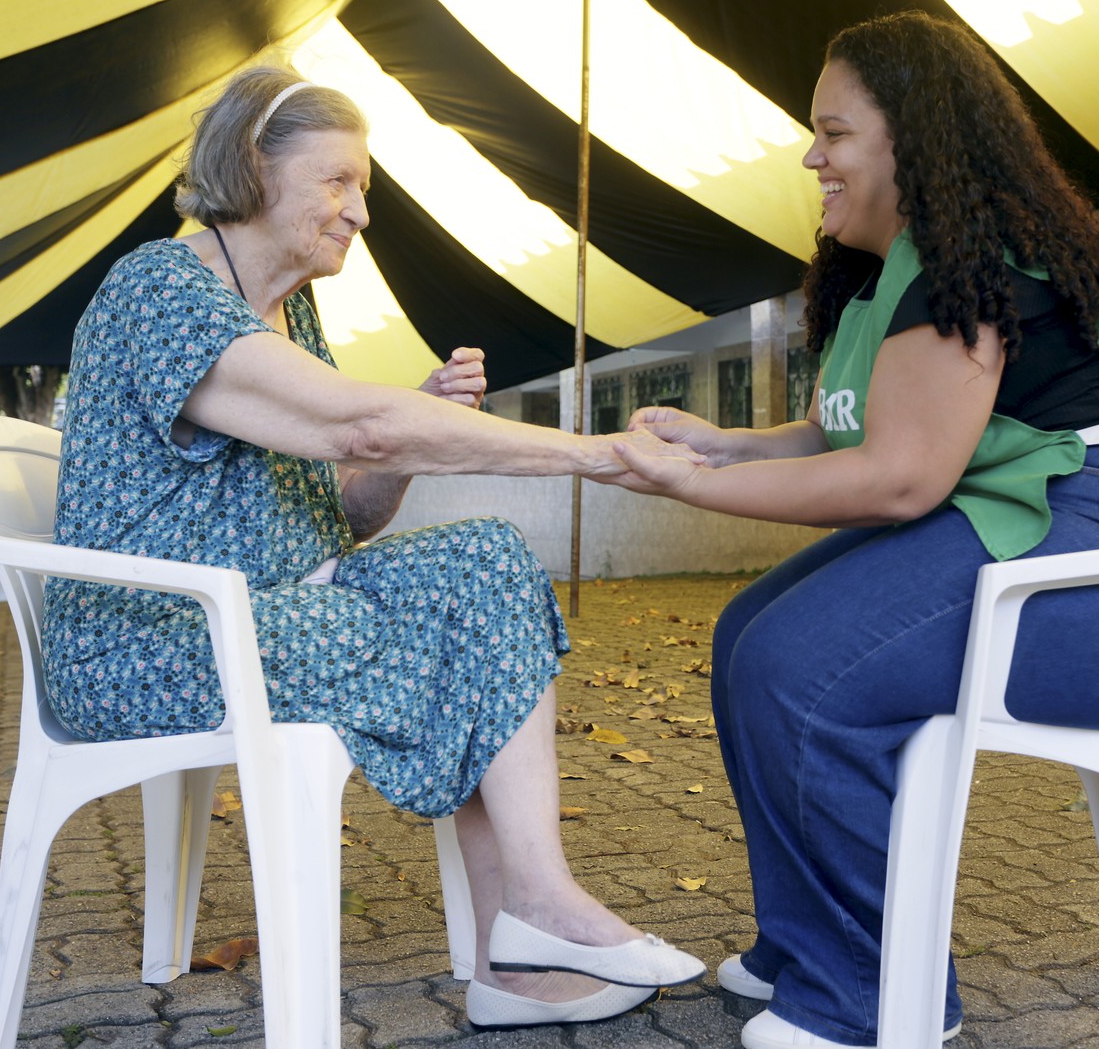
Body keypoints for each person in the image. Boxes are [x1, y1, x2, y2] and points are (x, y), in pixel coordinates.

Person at [604, 11, 1099, 1049]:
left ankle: (873, 998)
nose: (810, 155)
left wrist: (686, 488)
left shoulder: (969, 258)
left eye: (835, 132)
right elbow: (845, 431)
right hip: (1071, 532)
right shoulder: (897, 270)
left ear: (913, 139)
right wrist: (718, 445)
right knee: (747, 635)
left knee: (799, 666)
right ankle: (811, 937)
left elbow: (900, 478)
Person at [41, 66, 707, 1030]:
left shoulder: (291, 309)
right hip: (148, 639)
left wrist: (416, 433)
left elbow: (342, 512)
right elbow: (359, 427)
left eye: (367, 189)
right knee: (462, 634)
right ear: (250, 169)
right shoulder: (159, 290)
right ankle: (529, 930)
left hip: (263, 610)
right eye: (337, 182)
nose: (360, 211)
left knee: (485, 566)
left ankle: (524, 928)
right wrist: (598, 456)